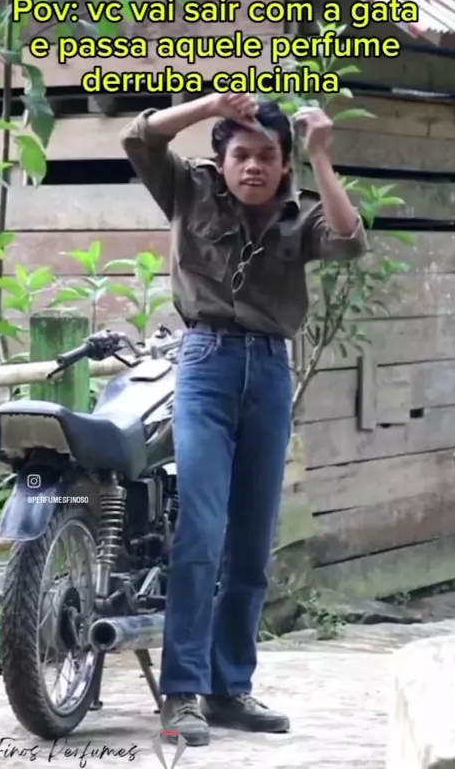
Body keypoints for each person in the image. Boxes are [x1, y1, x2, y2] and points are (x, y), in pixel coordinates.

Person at [121, 92, 368, 747]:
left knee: (253, 541)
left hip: (271, 372)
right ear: (221, 161)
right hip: (206, 365)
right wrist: (207, 106)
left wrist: (321, 154)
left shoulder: (300, 214)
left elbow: (349, 240)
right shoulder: (188, 190)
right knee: (202, 529)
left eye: (267, 156)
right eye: (241, 155)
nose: (253, 166)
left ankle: (229, 689)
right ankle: (182, 692)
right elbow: (139, 138)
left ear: (284, 166)